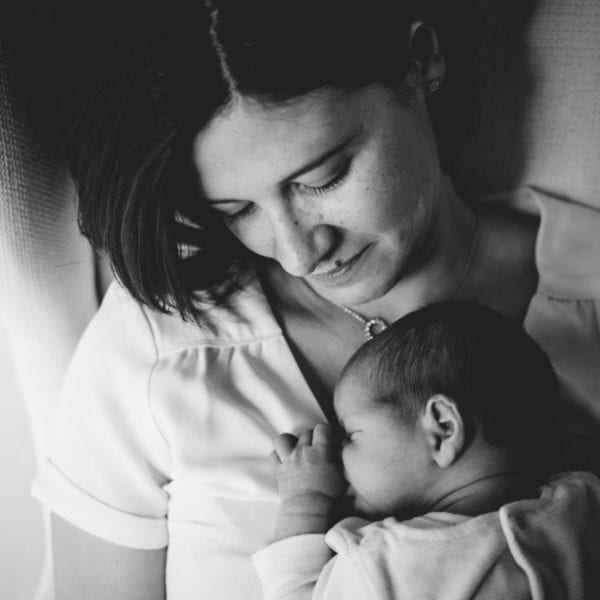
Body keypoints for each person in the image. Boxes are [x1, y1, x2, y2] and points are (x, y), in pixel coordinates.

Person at [30, 1, 600, 599]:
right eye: (238, 211)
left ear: (421, 58)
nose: (299, 255)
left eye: (322, 178)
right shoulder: (158, 345)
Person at [252, 301, 600, 599]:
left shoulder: (385, 562)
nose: (338, 451)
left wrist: (305, 502)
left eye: (351, 433)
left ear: (443, 428)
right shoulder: (584, 503)